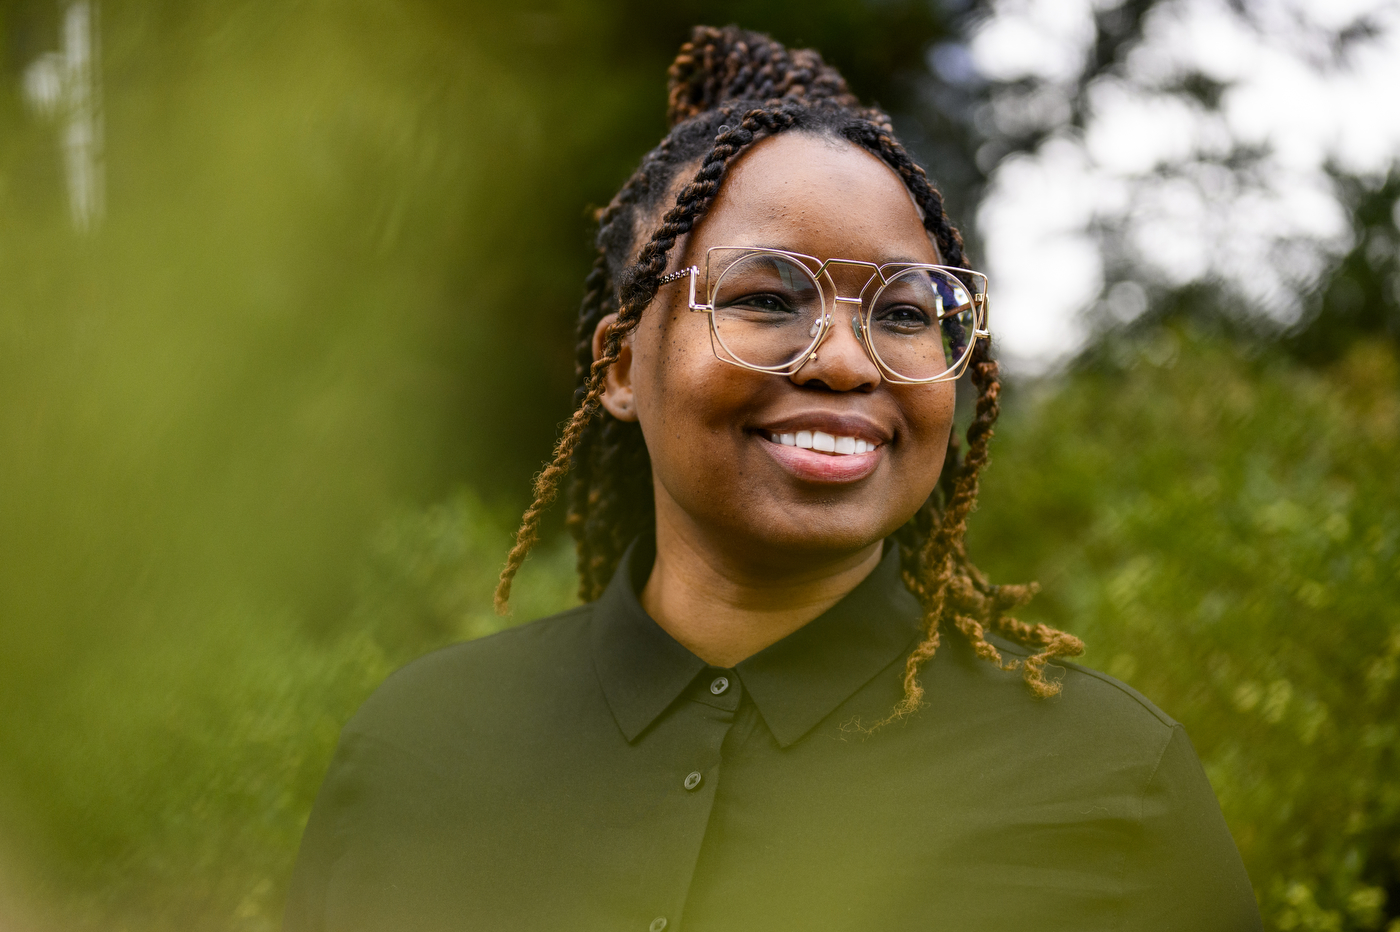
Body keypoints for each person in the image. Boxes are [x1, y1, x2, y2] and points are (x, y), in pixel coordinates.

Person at [284, 26, 1262, 932]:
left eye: (905, 313)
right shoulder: (418, 751)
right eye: (763, 296)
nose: (845, 361)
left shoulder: (1111, 786)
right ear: (620, 364)